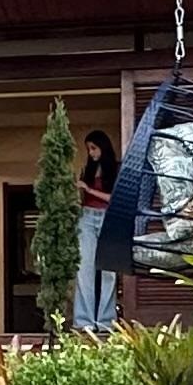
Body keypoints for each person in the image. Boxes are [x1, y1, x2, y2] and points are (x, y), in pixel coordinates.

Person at [71, 114, 120, 331]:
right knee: (84, 269)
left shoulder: (115, 169)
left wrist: (89, 190)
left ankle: (106, 322)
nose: (91, 153)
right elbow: (83, 198)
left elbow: (114, 198)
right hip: (87, 217)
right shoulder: (88, 170)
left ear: (103, 147)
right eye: (88, 149)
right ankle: (84, 322)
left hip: (108, 218)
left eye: (93, 148)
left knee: (109, 271)